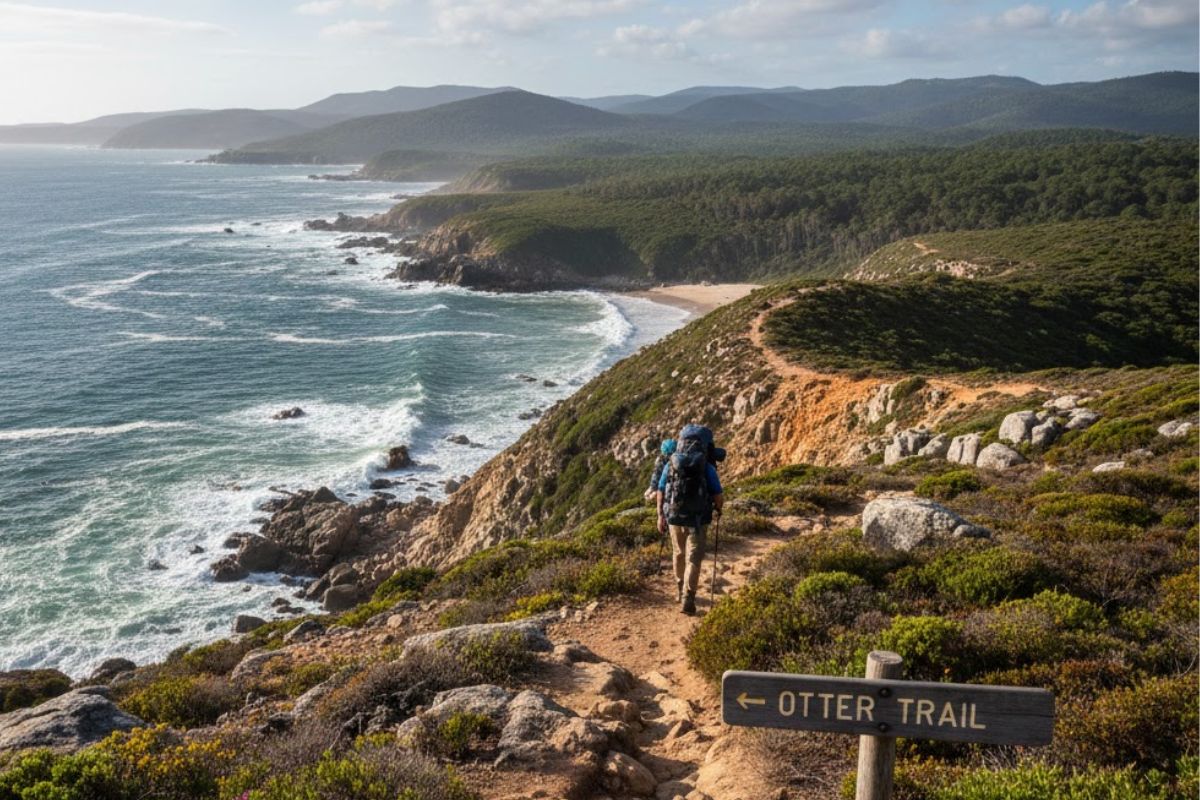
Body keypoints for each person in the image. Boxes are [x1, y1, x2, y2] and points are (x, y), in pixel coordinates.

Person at [657, 429, 724, 615]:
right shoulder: (706, 467)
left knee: (678, 552)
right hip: (699, 519)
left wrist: (660, 515)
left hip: (674, 516)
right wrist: (719, 509)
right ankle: (689, 595)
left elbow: (661, 491)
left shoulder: (671, 463)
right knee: (694, 557)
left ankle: (680, 587)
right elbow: (718, 494)